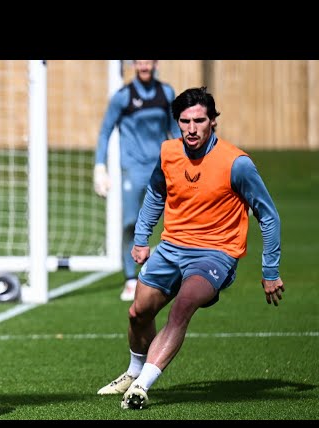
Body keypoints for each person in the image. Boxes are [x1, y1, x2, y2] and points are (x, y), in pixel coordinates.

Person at [96, 86, 284, 409]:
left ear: (213, 122)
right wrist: (141, 239)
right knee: (138, 313)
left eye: (199, 120)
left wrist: (270, 271)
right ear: (177, 122)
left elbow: (268, 215)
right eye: (185, 121)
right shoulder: (169, 153)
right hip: (171, 248)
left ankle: (141, 387)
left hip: (215, 253)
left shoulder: (236, 163)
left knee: (182, 306)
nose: (192, 129)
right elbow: (156, 194)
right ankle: (133, 371)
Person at [94, 60, 181, 301]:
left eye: (148, 61)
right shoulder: (123, 97)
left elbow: (175, 130)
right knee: (130, 222)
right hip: (132, 170)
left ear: (156, 64)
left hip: (162, 169)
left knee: (173, 224)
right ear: (134, 64)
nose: (144, 66)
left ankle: (171, 273)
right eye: (140, 61)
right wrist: (100, 166)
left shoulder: (166, 93)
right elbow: (105, 131)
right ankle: (131, 278)